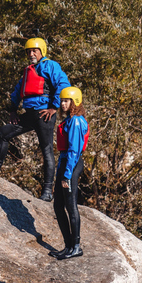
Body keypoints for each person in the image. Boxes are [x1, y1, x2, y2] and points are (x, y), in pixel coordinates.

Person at [0, 38, 71, 202]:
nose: (31, 54)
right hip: (29, 115)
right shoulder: (28, 70)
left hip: (44, 115)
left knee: (46, 150)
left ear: (41, 51)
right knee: (3, 133)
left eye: (34, 51)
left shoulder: (50, 66)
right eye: (28, 51)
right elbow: (17, 91)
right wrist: (12, 110)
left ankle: (47, 191)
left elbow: (63, 85)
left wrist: (54, 107)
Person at [49, 86, 89, 260]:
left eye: (67, 101)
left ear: (75, 102)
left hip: (71, 165)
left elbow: (74, 150)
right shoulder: (69, 120)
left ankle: (76, 247)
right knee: (58, 205)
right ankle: (68, 246)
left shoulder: (77, 121)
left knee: (71, 206)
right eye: (62, 101)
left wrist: (66, 174)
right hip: (65, 163)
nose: (63, 104)